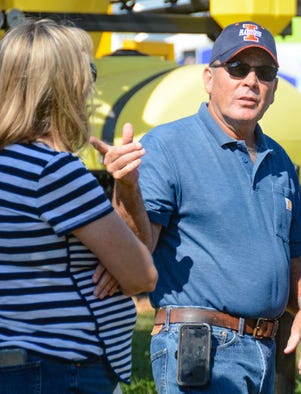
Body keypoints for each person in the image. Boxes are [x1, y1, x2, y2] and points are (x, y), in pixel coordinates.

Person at [90, 20, 301, 392]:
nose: (250, 81)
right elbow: (139, 246)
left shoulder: (278, 160)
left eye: (264, 72)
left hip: (265, 350)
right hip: (201, 346)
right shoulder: (168, 146)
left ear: (275, 88)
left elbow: (293, 258)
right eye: (237, 68)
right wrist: (127, 186)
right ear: (209, 78)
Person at [0, 19, 157, 392]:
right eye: (87, 70)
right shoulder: (53, 170)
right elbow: (141, 276)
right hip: (62, 366)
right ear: (65, 86)